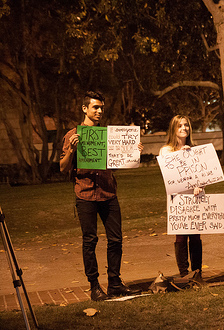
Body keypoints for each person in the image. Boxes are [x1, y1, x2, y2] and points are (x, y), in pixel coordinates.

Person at [60, 90, 141, 301]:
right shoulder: (72, 135)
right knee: (90, 240)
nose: (99, 111)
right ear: (84, 108)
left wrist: (133, 151)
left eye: (101, 108)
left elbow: (118, 162)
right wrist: (70, 150)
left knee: (116, 239)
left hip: (108, 193)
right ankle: (94, 286)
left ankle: (115, 283)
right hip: (85, 194)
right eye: (95, 107)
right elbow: (62, 167)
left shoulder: (109, 136)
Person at [159, 115, 204, 281]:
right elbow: (169, 175)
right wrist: (182, 157)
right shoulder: (166, 151)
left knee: (195, 236)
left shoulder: (195, 149)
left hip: (195, 196)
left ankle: (197, 272)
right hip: (177, 198)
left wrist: (200, 185)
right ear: (173, 129)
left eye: (186, 125)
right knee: (181, 236)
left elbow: (203, 173)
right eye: (180, 126)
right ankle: (184, 273)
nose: (184, 128)